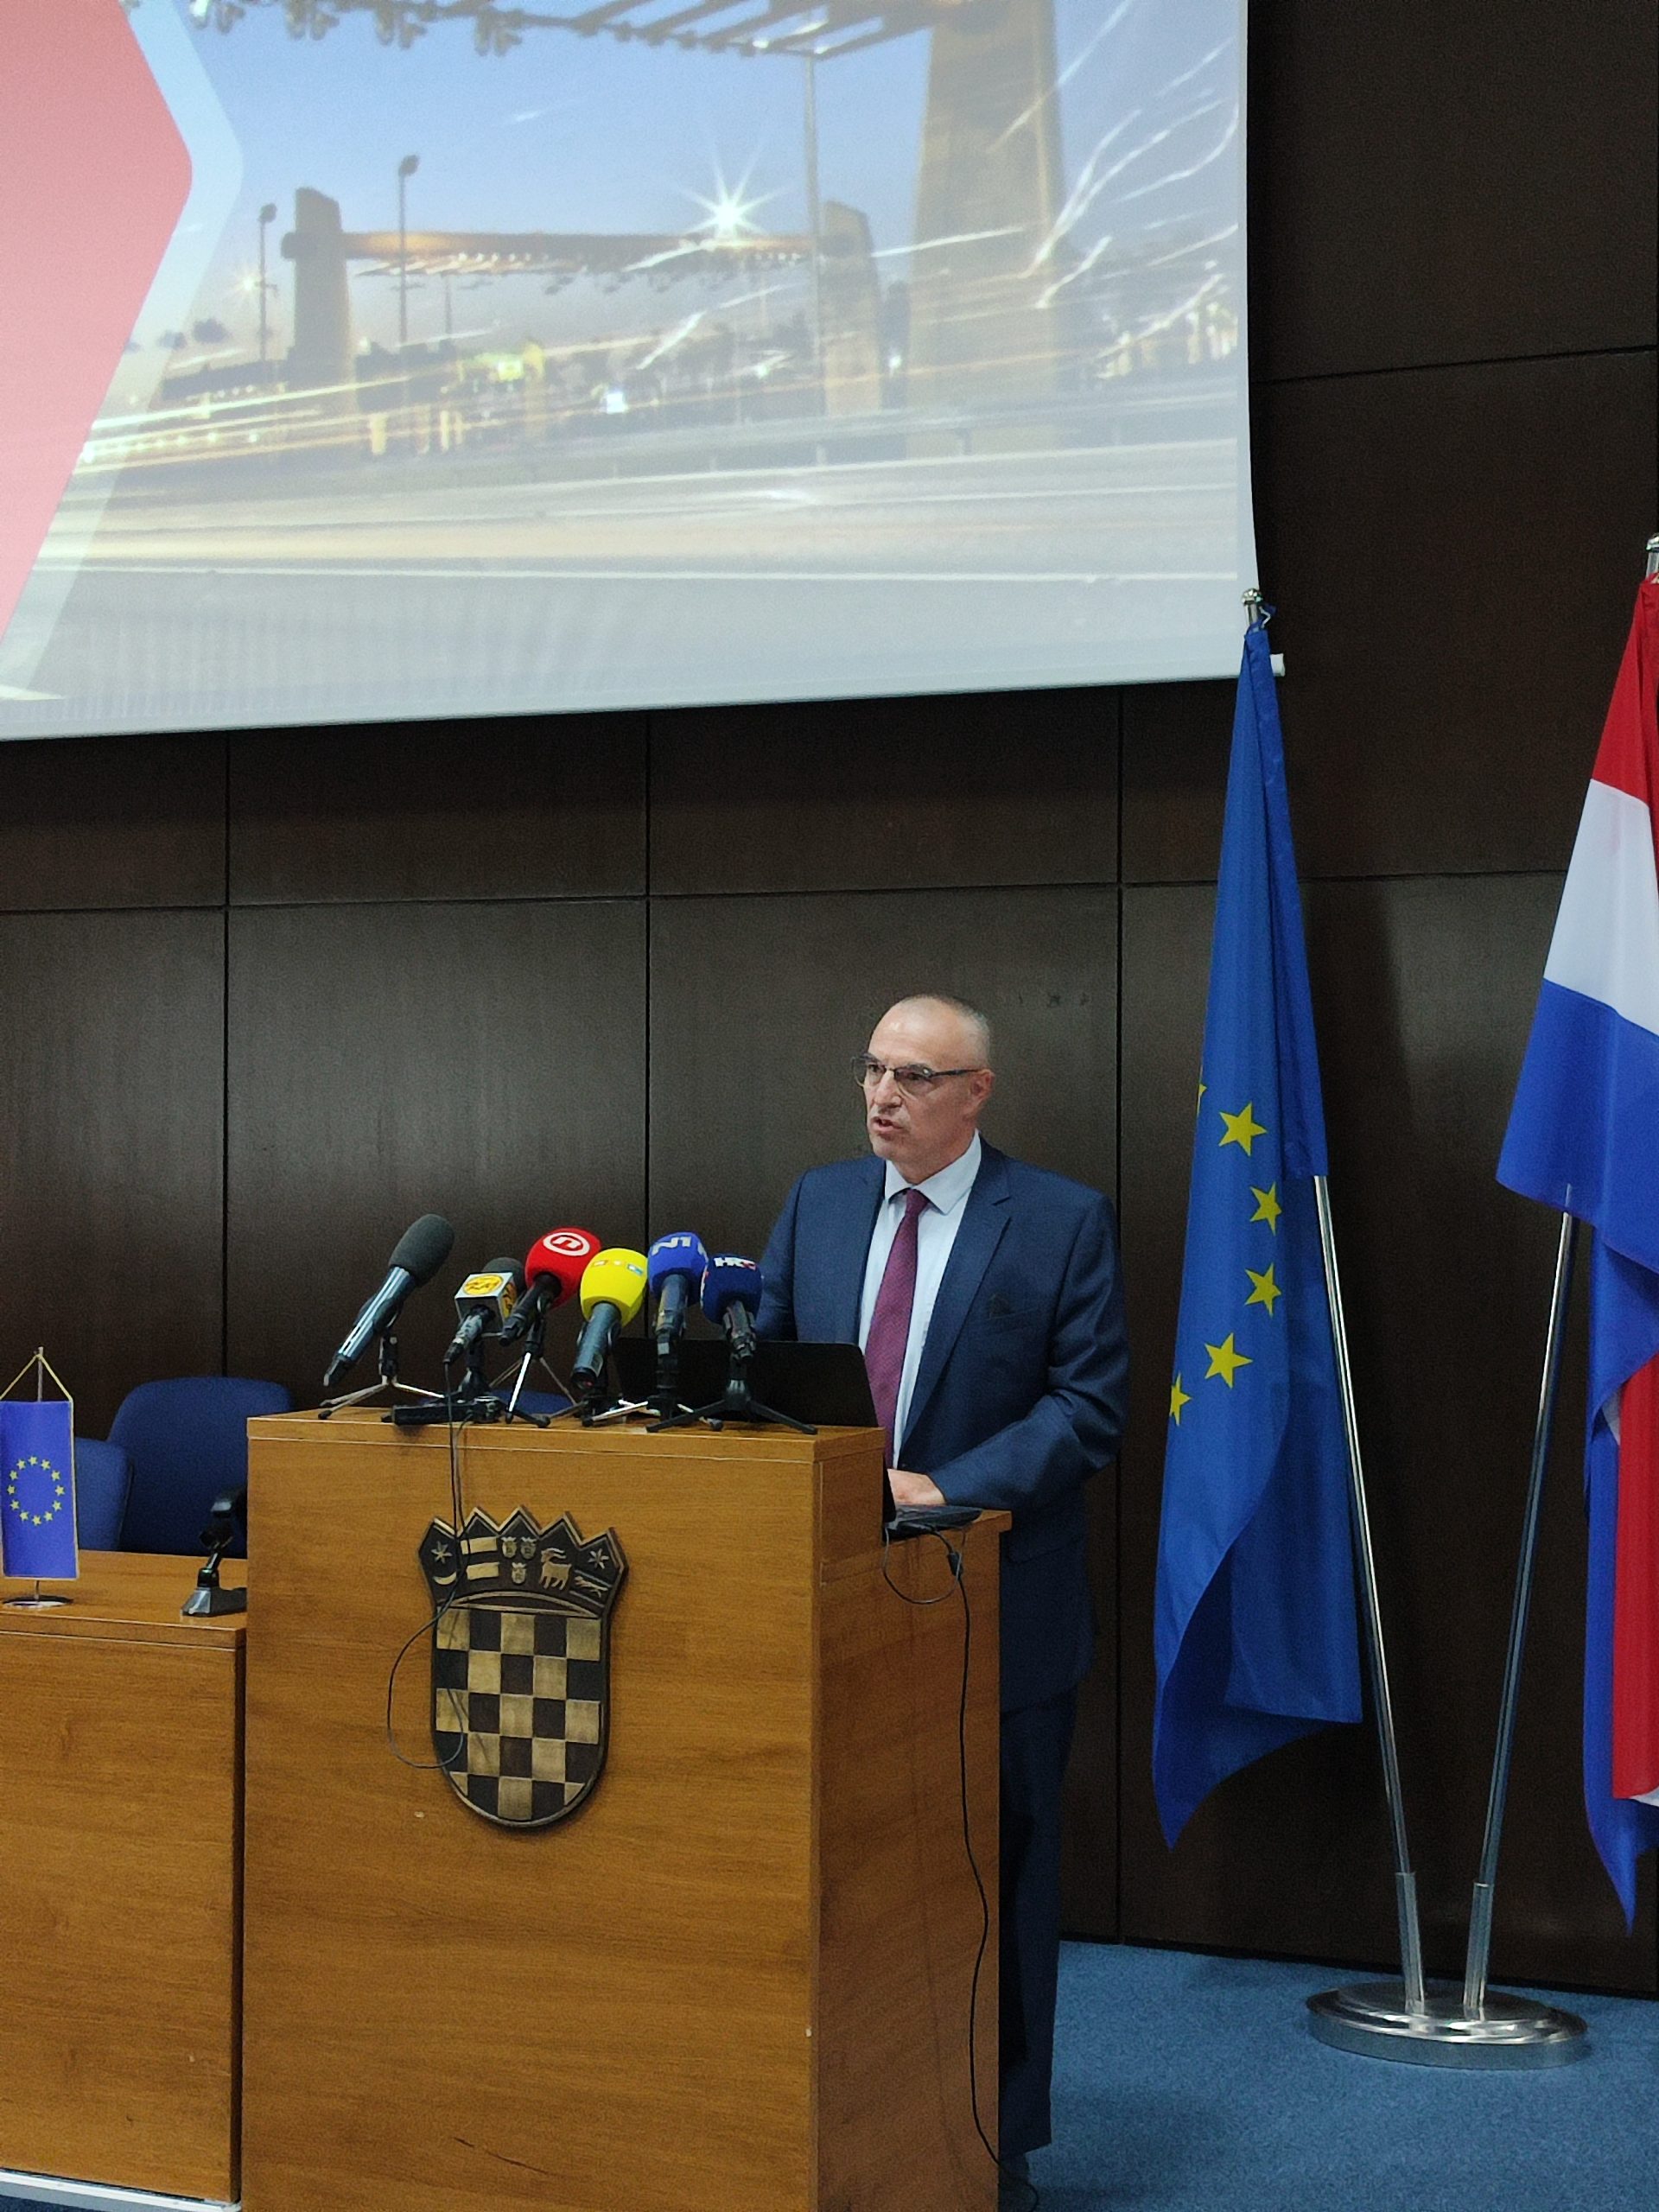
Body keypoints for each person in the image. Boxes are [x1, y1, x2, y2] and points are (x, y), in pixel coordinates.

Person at [757, 992, 1128, 2199]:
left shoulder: (1061, 1221)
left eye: (913, 1077)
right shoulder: (818, 1203)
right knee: (846, 1878)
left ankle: (994, 2147)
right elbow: (766, 1368)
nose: (883, 1097)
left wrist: (943, 1486)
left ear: (976, 1093)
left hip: (998, 1606)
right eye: (872, 1070)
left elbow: (1087, 1410)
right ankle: (862, 2124)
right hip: (834, 1606)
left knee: (998, 1881)